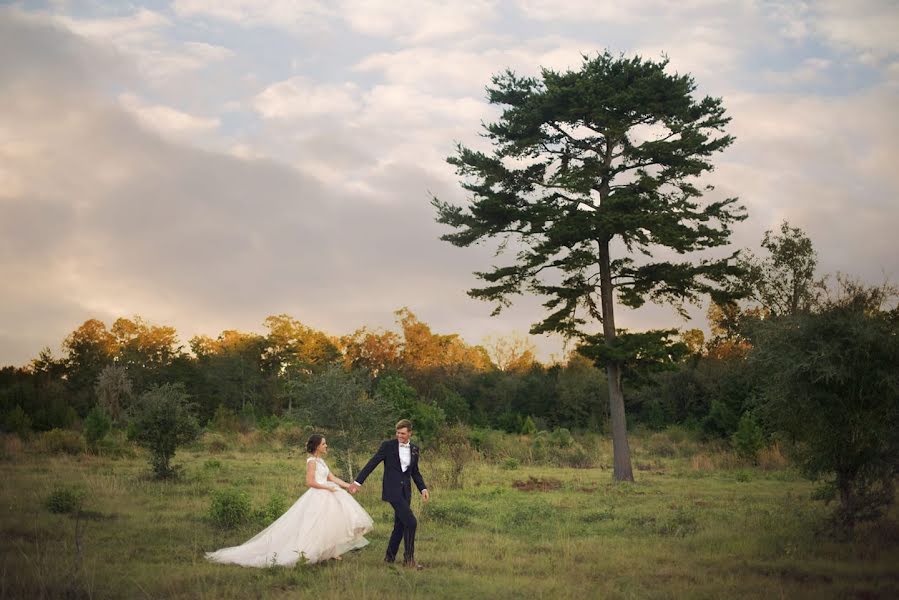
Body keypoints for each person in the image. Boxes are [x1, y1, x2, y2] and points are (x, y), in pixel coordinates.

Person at [205, 434, 373, 567]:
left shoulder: (321, 461)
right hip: (318, 495)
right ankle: (308, 552)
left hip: (328, 493)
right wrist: (327, 487)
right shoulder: (312, 461)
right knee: (314, 525)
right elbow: (310, 482)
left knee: (328, 524)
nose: (326, 446)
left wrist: (348, 486)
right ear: (316, 446)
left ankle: (328, 552)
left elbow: (332, 477)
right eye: (324, 444)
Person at [349, 419, 429, 569]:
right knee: (411, 522)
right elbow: (372, 463)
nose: (399, 435)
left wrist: (423, 489)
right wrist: (357, 482)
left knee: (400, 525)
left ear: (410, 433)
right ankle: (409, 560)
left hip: (406, 491)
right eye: (398, 433)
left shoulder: (414, 449)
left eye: (403, 433)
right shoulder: (388, 446)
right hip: (392, 491)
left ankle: (389, 558)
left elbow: (415, 472)